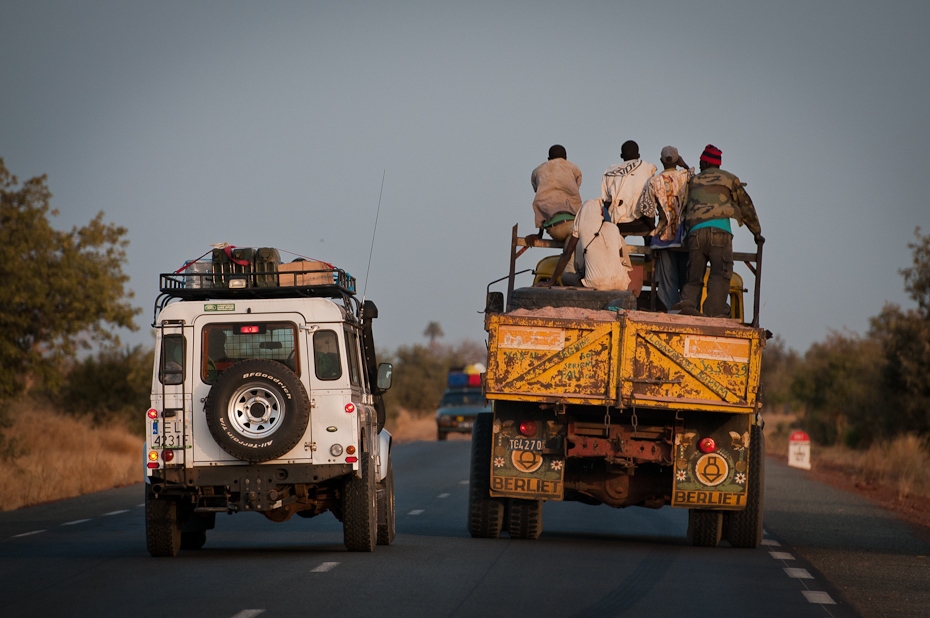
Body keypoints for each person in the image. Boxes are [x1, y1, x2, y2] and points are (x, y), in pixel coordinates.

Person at [675, 144, 763, 318]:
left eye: (701, 161)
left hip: (696, 234)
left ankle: (687, 310)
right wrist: (757, 233)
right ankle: (714, 313)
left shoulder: (694, 181)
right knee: (720, 275)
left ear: (707, 163)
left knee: (694, 277)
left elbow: (683, 209)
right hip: (720, 233)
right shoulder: (730, 179)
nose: (699, 164)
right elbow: (746, 207)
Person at [639, 146, 693, 310]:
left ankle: (672, 310)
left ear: (662, 161)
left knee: (668, 277)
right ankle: (686, 306)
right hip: (684, 235)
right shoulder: (687, 176)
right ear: (678, 159)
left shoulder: (653, 181)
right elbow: (700, 183)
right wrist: (685, 166)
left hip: (664, 237)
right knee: (686, 274)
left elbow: (647, 210)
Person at [539, 199, 632, 291]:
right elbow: (624, 261)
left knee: (566, 277)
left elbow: (566, 254)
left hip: (595, 285)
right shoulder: (614, 229)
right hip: (620, 284)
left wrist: (551, 281)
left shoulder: (582, 228)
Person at [601, 140, 657, 237]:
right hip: (641, 222)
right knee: (650, 204)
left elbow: (606, 202)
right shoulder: (647, 167)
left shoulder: (610, 170)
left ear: (621, 156)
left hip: (618, 223)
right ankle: (650, 245)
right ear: (638, 155)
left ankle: (616, 248)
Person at [528, 144, 583, 243]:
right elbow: (576, 188)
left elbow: (542, 200)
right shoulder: (574, 168)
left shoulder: (537, 171)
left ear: (548, 159)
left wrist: (539, 234)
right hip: (575, 226)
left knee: (543, 200)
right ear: (565, 158)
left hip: (555, 229)